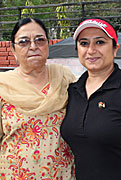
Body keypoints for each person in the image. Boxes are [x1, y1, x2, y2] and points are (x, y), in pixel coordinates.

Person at [60, 18, 121, 180]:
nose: (91, 50)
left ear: (115, 49)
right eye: (84, 43)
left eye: (100, 42)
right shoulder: (73, 91)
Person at [0, 18, 75, 179]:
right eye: (24, 42)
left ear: (47, 45)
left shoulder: (65, 79)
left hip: (61, 175)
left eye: (39, 40)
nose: (33, 46)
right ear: (13, 49)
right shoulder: (3, 86)